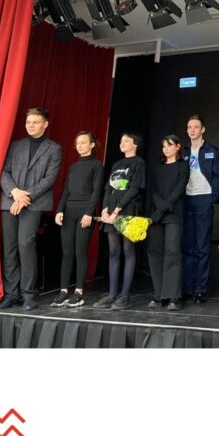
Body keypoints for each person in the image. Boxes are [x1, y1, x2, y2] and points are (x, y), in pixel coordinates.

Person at [0, 108, 62, 311]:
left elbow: (49, 179)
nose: (30, 125)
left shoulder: (54, 149)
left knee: (26, 244)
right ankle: (11, 294)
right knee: (9, 248)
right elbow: (4, 171)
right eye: (28, 122)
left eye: (35, 122)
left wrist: (25, 197)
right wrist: (15, 192)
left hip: (34, 203)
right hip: (10, 201)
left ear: (45, 124)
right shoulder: (16, 146)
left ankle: (28, 294)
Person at [51, 131, 105, 308]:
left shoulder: (97, 165)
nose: (79, 145)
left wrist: (89, 212)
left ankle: (79, 292)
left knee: (80, 251)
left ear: (92, 145)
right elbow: (66, 190)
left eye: (83, 142)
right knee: (67, 252)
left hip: (85, 212)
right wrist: (59, 210)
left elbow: (96, 191)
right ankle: (63, 291)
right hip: (69, 211)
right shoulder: (73, 167)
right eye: (77, 143)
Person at [93, 133, 145, 311]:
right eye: (121, 141)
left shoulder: (139, 163)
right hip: (111, 213)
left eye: (126, 141)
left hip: (128, 211)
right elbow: (109, 188)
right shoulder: (117, 164)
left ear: (135, 144)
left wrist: (117, 210)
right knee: (114, 251)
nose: (122, 143)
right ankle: (112, 293)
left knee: (128, 250)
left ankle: (124, 296)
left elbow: (134, 189)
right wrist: (105, 208)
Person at [182, 115, 219, 304]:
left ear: (203, 129)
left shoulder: (212, 150)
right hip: (186, 200)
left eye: (196, 127)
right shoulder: (183, 151)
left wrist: (213, 197)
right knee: (187, 246)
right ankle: (187, 288)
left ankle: (200, 289)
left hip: (204, 199)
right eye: (189, 127)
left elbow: (217, 175)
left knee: (202, 246)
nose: (192, 130)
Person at [146, 135, 189, 311]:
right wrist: (159, 210)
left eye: (169, 145)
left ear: (177, 147)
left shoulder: (183, 166)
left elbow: (179, 190)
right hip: (157, 215)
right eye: (164, 146)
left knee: (173, 252)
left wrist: (163, 208)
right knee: (155, 252)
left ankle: (173, 296)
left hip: (173, 214)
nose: (166, 149)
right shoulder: (157, 168)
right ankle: (159, 294)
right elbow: (153, 191)